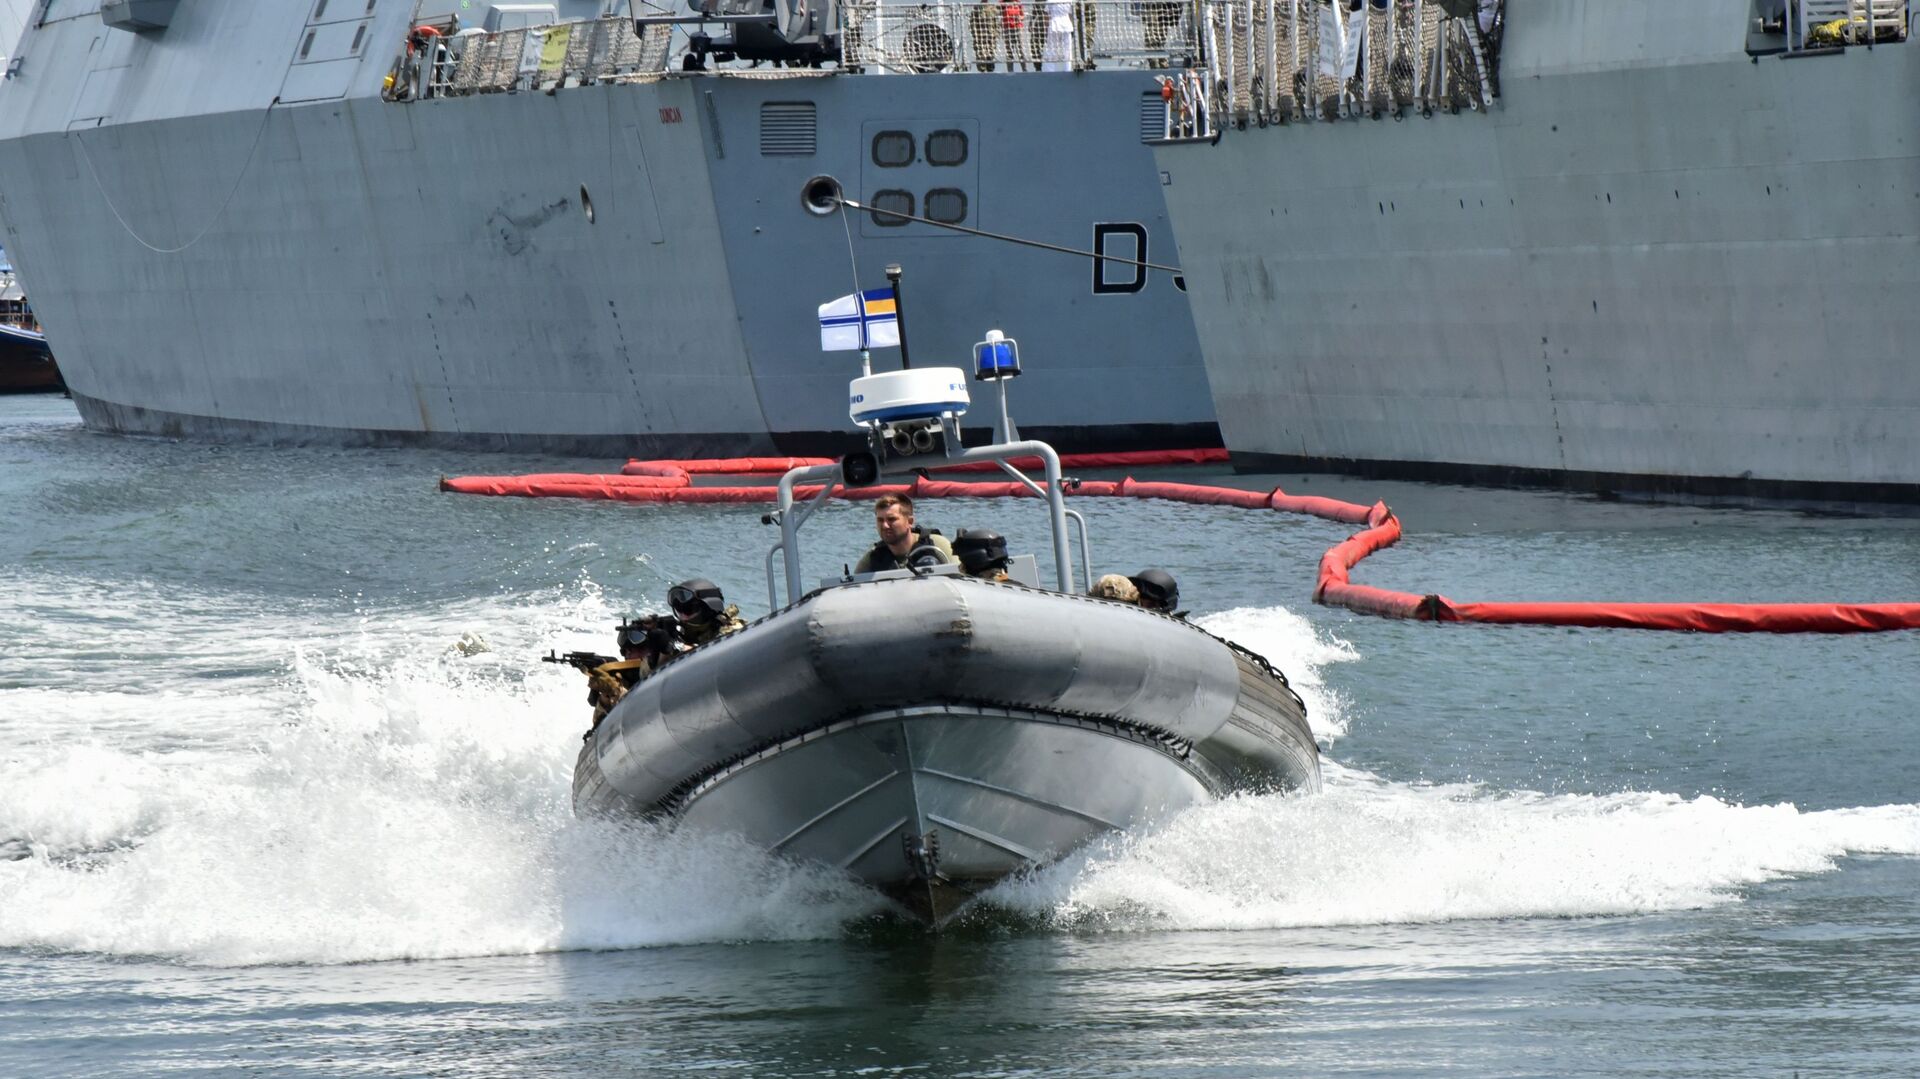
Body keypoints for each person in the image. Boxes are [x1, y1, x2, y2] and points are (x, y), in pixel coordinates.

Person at [586, 614, 678, 727]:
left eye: (640, 649)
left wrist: (664, 651)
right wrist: (607, 694)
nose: (630, 654)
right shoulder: (619, 679)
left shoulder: (673, 665)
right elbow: (600, 724)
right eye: (627, 651)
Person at [854, 494, 956, 573]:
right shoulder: (872, 559)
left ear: (910, 522)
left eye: (891, 519)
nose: (885, 525)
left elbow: (961, 577)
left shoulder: (937, 546)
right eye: (880, 520)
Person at [669, 578, 747, 647]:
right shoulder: (680, 630)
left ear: (707, 610)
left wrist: (681, 647)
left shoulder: (734, 632)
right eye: (679, 609)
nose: (682, 617)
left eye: (688, 610)